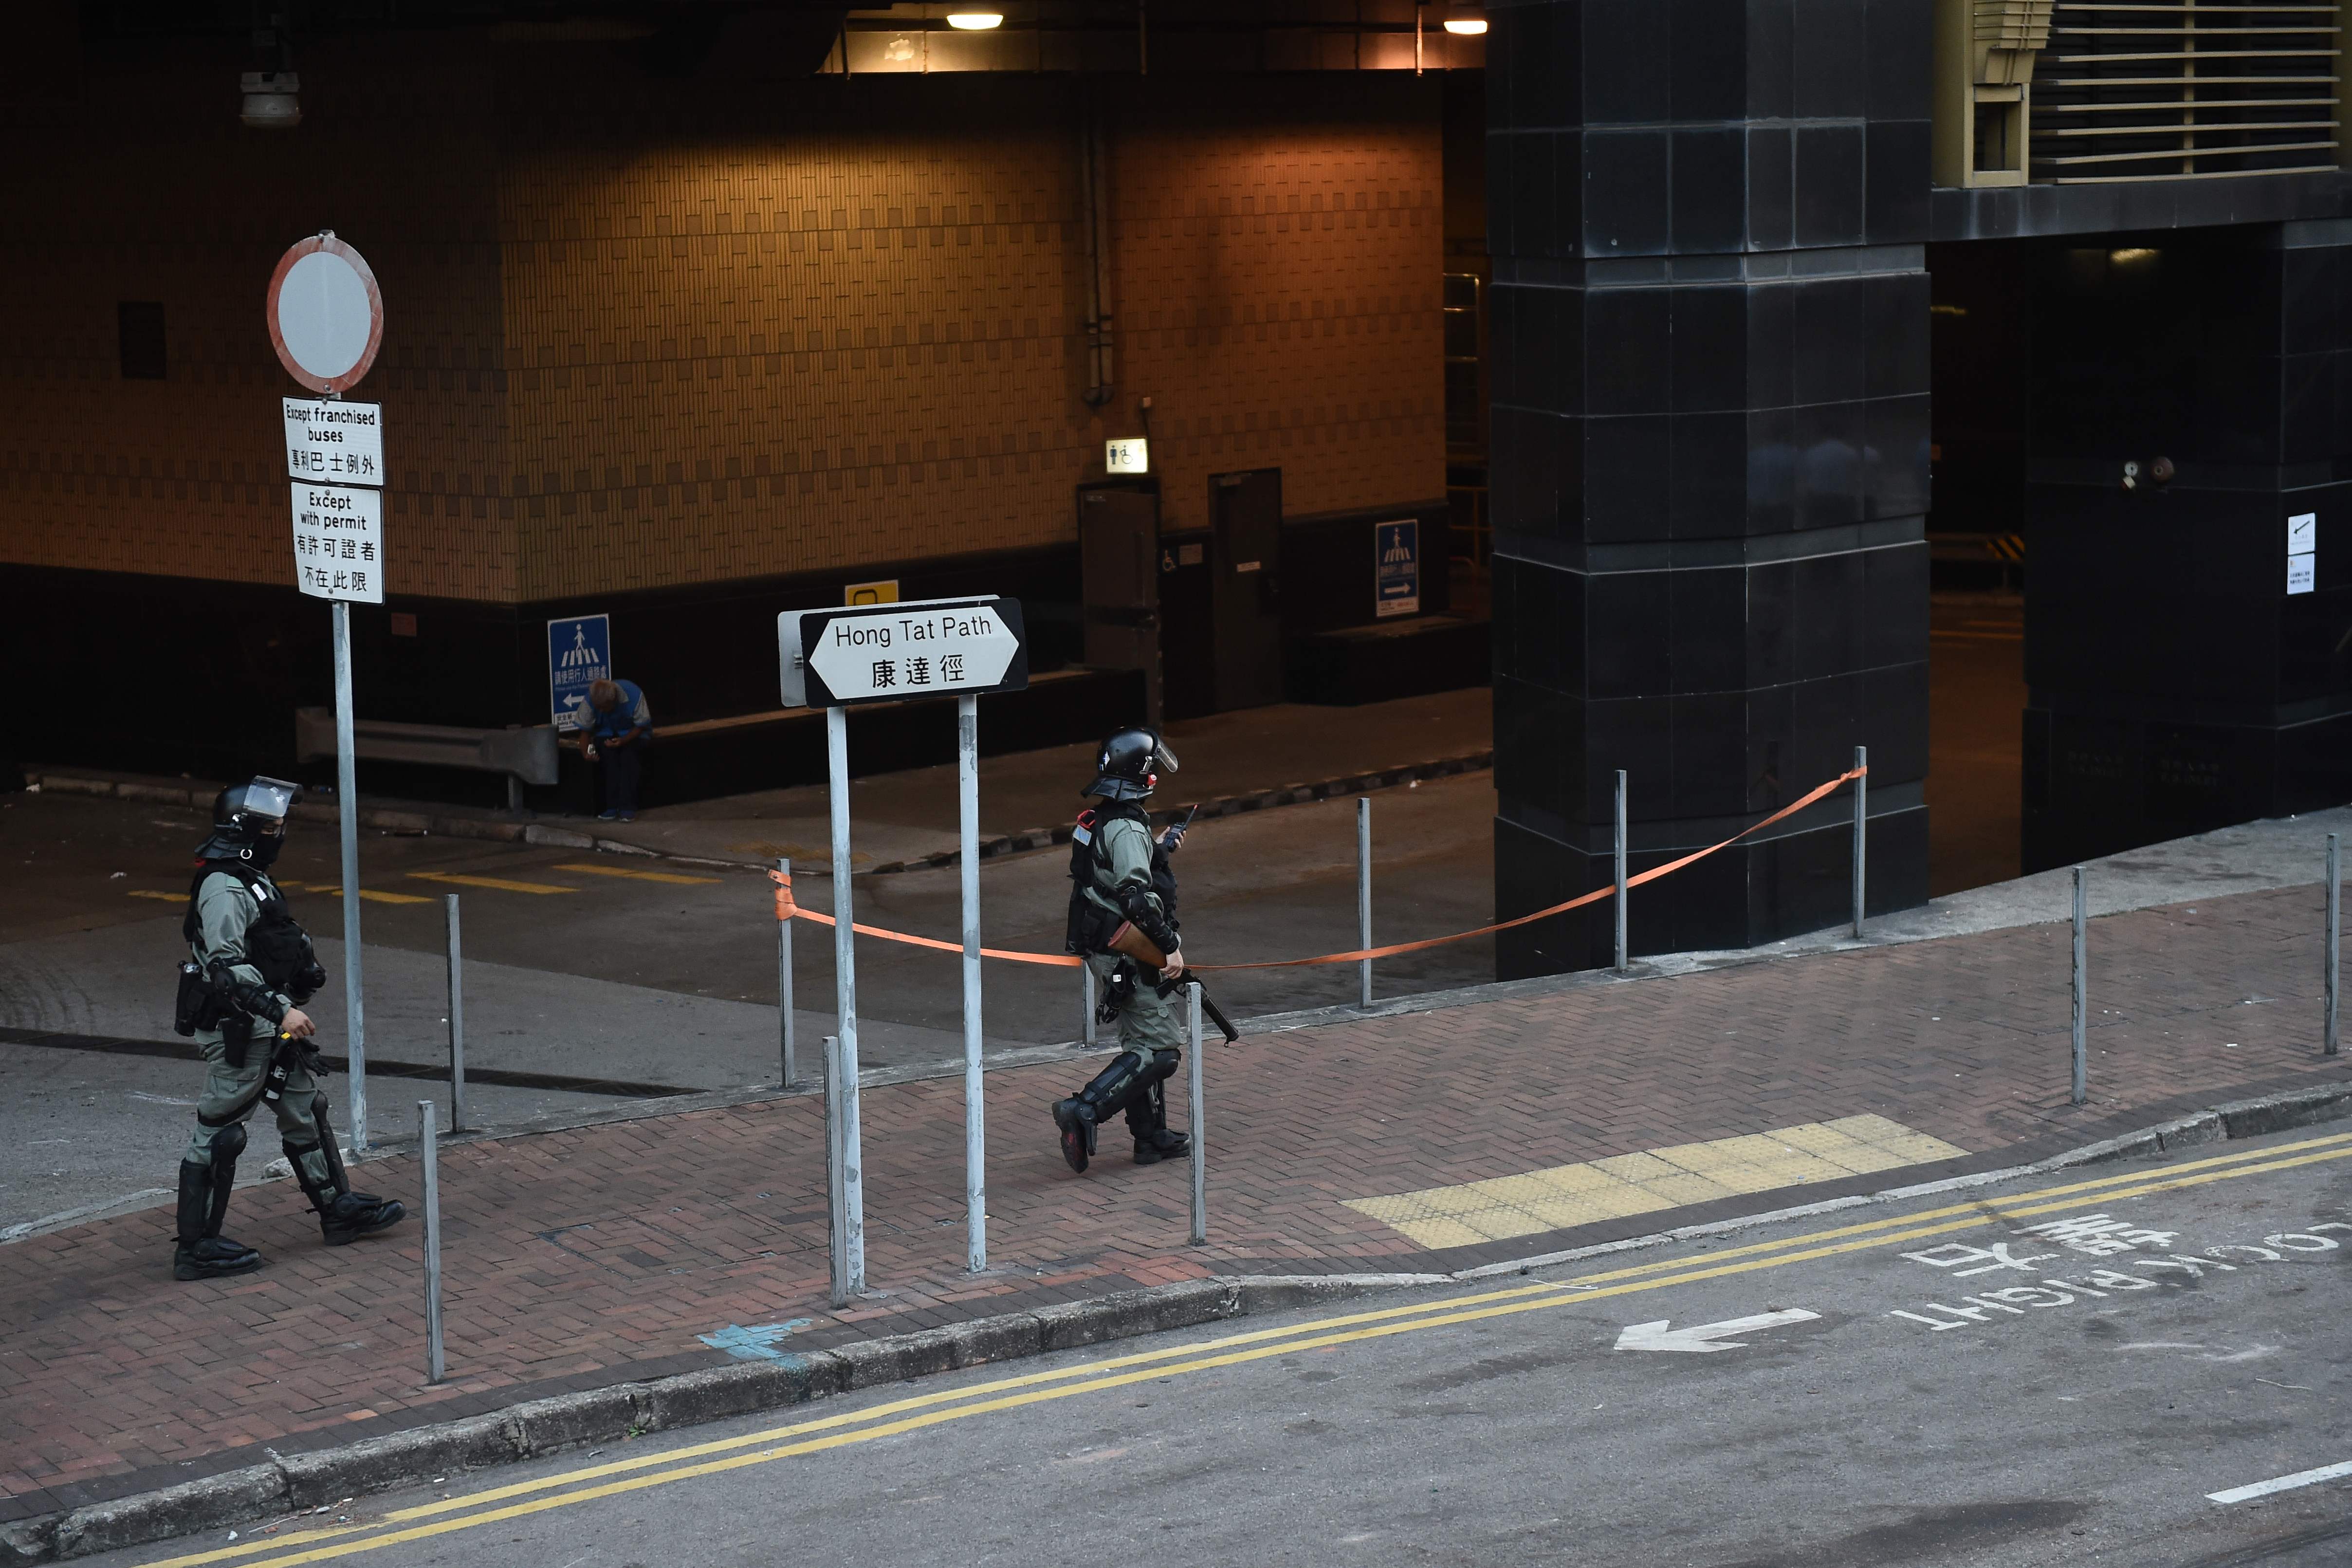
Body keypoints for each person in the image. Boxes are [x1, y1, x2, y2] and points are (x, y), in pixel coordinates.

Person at [170, 776, 404, 1281]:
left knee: (304, 1110)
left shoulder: (251, 875)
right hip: (239, 1028)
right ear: (245, 830)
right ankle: (196, 1247)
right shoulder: (223, 886)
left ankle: (337, 1210)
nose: (280, 834)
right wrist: (281, 1010)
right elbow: (226, 967)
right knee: (221, 1131)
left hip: (266, 1025)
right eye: (271, 826)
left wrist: (298, 973)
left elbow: (271, 939)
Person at [1051, 726, 1194, 1173]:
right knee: (1162, 1050)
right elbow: (1135, 899)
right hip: (1127, 951)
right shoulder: (1128, 827)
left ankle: (1149, 1138)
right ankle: (1084, 1108)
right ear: (1142, 774)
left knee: (1140, 1041)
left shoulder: (1101, 818)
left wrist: (1158, 849)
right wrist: (1170, 949)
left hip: (1107, 947)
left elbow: (1109, 873)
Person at [575, 677, 652, 821]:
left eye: (604, 708)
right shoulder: (590, 700)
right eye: (598, 707)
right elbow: (585, 731)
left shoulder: (634, 694)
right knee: (608, 757)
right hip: (605, 734)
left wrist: (623, 741)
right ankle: (611, 807)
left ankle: (627, 807)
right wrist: (586, 754)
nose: (600, 711)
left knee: (629, 757)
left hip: (633, 733)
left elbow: (641, 726)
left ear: (614, 700)